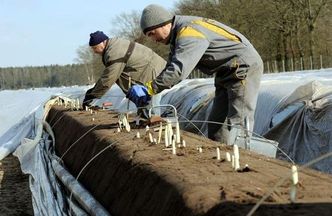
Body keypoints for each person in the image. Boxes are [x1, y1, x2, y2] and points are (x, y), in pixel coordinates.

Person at [127, 4, 263, 145]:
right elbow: (170, 66)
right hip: (225, 70)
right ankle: (220, 158)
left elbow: (179, 70)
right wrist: (149, 87)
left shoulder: (188, 32)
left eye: (152, 33)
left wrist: (150, 88)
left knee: (238, 120)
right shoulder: (178, 35)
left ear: (163, 24)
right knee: (217, 122)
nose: (153, 39)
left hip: (242, 67)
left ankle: (241, 161)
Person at [82, 31, 166, 113]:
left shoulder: (114, 52)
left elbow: (109, 77)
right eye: (93, 48)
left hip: (153, 71)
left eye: (95, 47)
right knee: (142, 97)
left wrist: (92, 95)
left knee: (150, 101)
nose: (94, 51)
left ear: (103, 42)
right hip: (146, 71)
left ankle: (153, 121)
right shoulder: (114, 46)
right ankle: (144, 119)